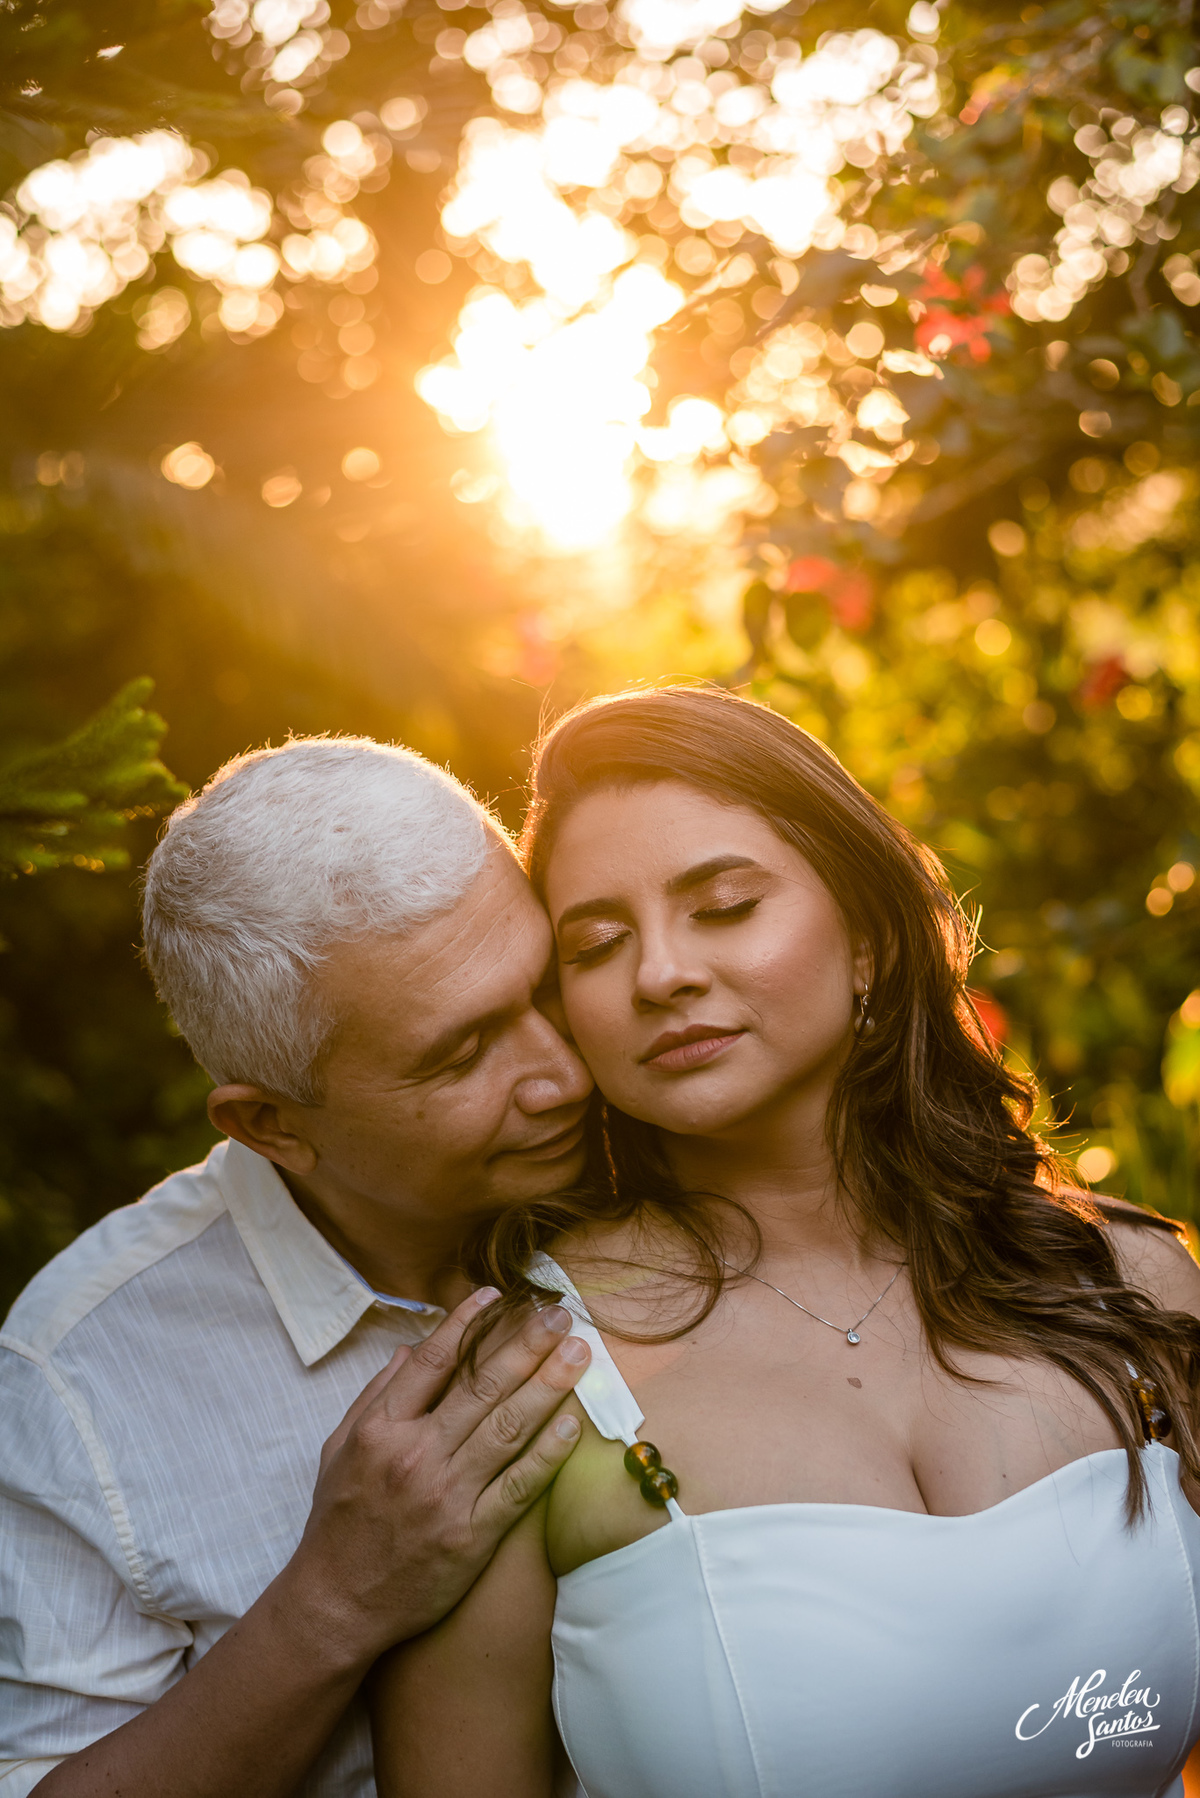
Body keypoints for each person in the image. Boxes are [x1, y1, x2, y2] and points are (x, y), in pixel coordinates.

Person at [372, 685, 1200, 1798]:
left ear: (864, 936)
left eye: (722, 905)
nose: (660, 971)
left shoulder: (1134, 1285)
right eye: (599, 941)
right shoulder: (531, 1377)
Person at [0, 736, 595, 1798]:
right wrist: (332, 1602)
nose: (561, 1075)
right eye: (462, 1054)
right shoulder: (79, 1380)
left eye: (548, 980)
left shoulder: (675, 1159)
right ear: (272, 1123)